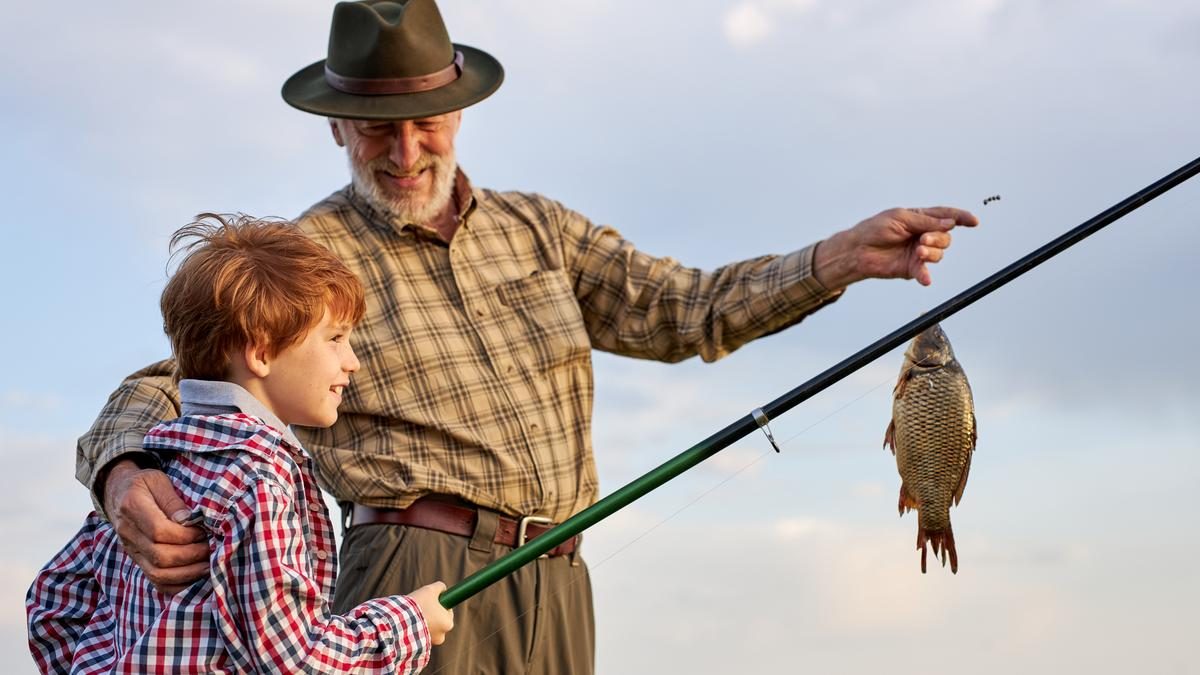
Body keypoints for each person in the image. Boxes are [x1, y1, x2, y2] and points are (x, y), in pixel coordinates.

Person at [73, 1, 979, 673]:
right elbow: (171, 383)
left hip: (562, 572)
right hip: (412, 576)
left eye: (425, 123)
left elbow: (686, 309)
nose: (404, 152)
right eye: (377, 132)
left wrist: (841, 256)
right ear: (339, 125)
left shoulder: (540, 227)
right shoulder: (310, 258)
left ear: (460, 111)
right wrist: (124, 472)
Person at [31, 215, 454, 673]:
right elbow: (295, 661)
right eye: (334, 339)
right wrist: (408, 622)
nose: (351, 362)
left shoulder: (158, 467)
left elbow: (55, 604)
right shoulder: (259, 475)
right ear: (261, 353)